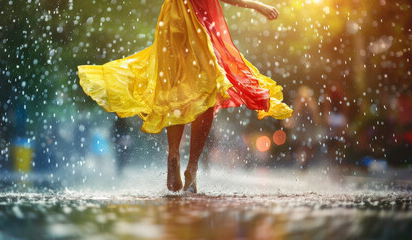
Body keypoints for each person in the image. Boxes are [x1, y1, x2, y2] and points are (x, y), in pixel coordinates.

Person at [78, 0, 292, 193]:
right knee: (209, 89)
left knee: (176, 89)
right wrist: (257, 5)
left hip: (173, 21)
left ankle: (174, 154)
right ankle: (192, 166)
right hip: (196, 21)